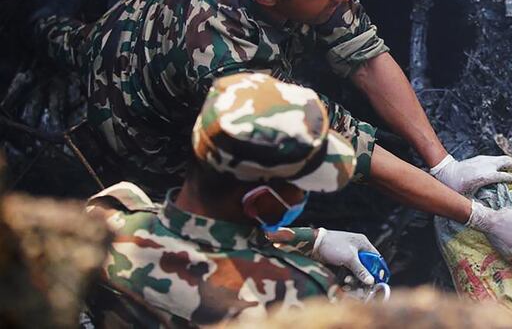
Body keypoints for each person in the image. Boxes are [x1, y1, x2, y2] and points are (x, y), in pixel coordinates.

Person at [36, 0, 512, 260]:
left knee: (71, 40)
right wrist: (481, 218)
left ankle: (43, 23)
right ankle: (34, 25)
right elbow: (348, 151)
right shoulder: (229, 65)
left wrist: (443, 165)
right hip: (137, 120)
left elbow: (362, 51)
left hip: (129, 25)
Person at [87, 72, 389, 326]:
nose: (305, 195)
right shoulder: (299, 295)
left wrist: (313, 240)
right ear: (258, 201)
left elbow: (200, 245)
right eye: (301, 186)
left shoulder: (107, 216)